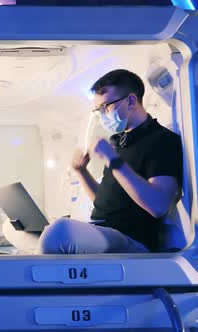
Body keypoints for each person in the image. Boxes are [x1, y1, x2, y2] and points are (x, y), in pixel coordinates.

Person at [38, 69, 183, 254]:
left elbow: (159, 206)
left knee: (58, 232)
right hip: (104, 228)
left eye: (105, 106)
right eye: (98, 110)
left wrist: (114, 161)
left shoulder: (162, 140)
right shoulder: (121, 142)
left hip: (132, 238)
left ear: (131, 101)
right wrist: (81, 171)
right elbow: (106, 202)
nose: (102, 114)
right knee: (15, 230)